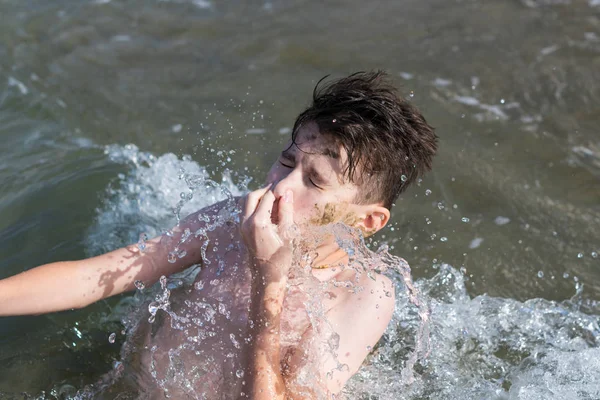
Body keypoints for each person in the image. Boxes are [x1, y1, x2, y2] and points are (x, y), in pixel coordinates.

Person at [0, 71, 438, 399]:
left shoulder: (363, 294)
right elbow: (100, 274)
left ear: (368, 220)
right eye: (286, 163)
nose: (281, 188)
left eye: (316, 182)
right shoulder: (236, 220)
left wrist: (271, 279)